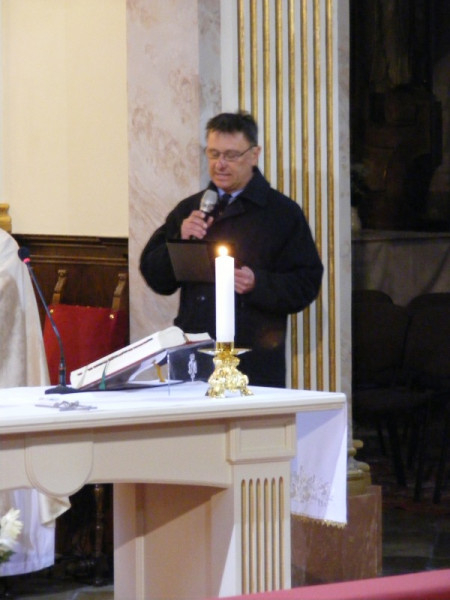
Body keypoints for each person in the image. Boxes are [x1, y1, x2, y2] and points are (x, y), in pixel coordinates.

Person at [140, 111, 323, 387]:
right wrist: (179, 238)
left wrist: (258, 283)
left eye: (231, 155)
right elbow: (155, 277)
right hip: (194, 353)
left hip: (253, 357)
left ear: (254, 154)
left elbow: (306, 283)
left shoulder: (282, 213)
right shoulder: (190, 209)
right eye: (213, 154)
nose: (220, 164)